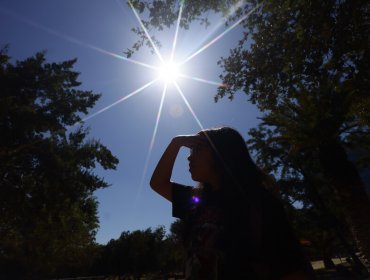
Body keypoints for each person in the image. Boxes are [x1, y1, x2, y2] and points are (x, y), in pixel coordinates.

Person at [150, 127, 315, 279]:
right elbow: (158, 183)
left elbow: (292, 270)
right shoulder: (196, 199)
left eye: (198, 148)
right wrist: (176, 143)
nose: (189, 156)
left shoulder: (259, 203)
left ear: (221, 154)